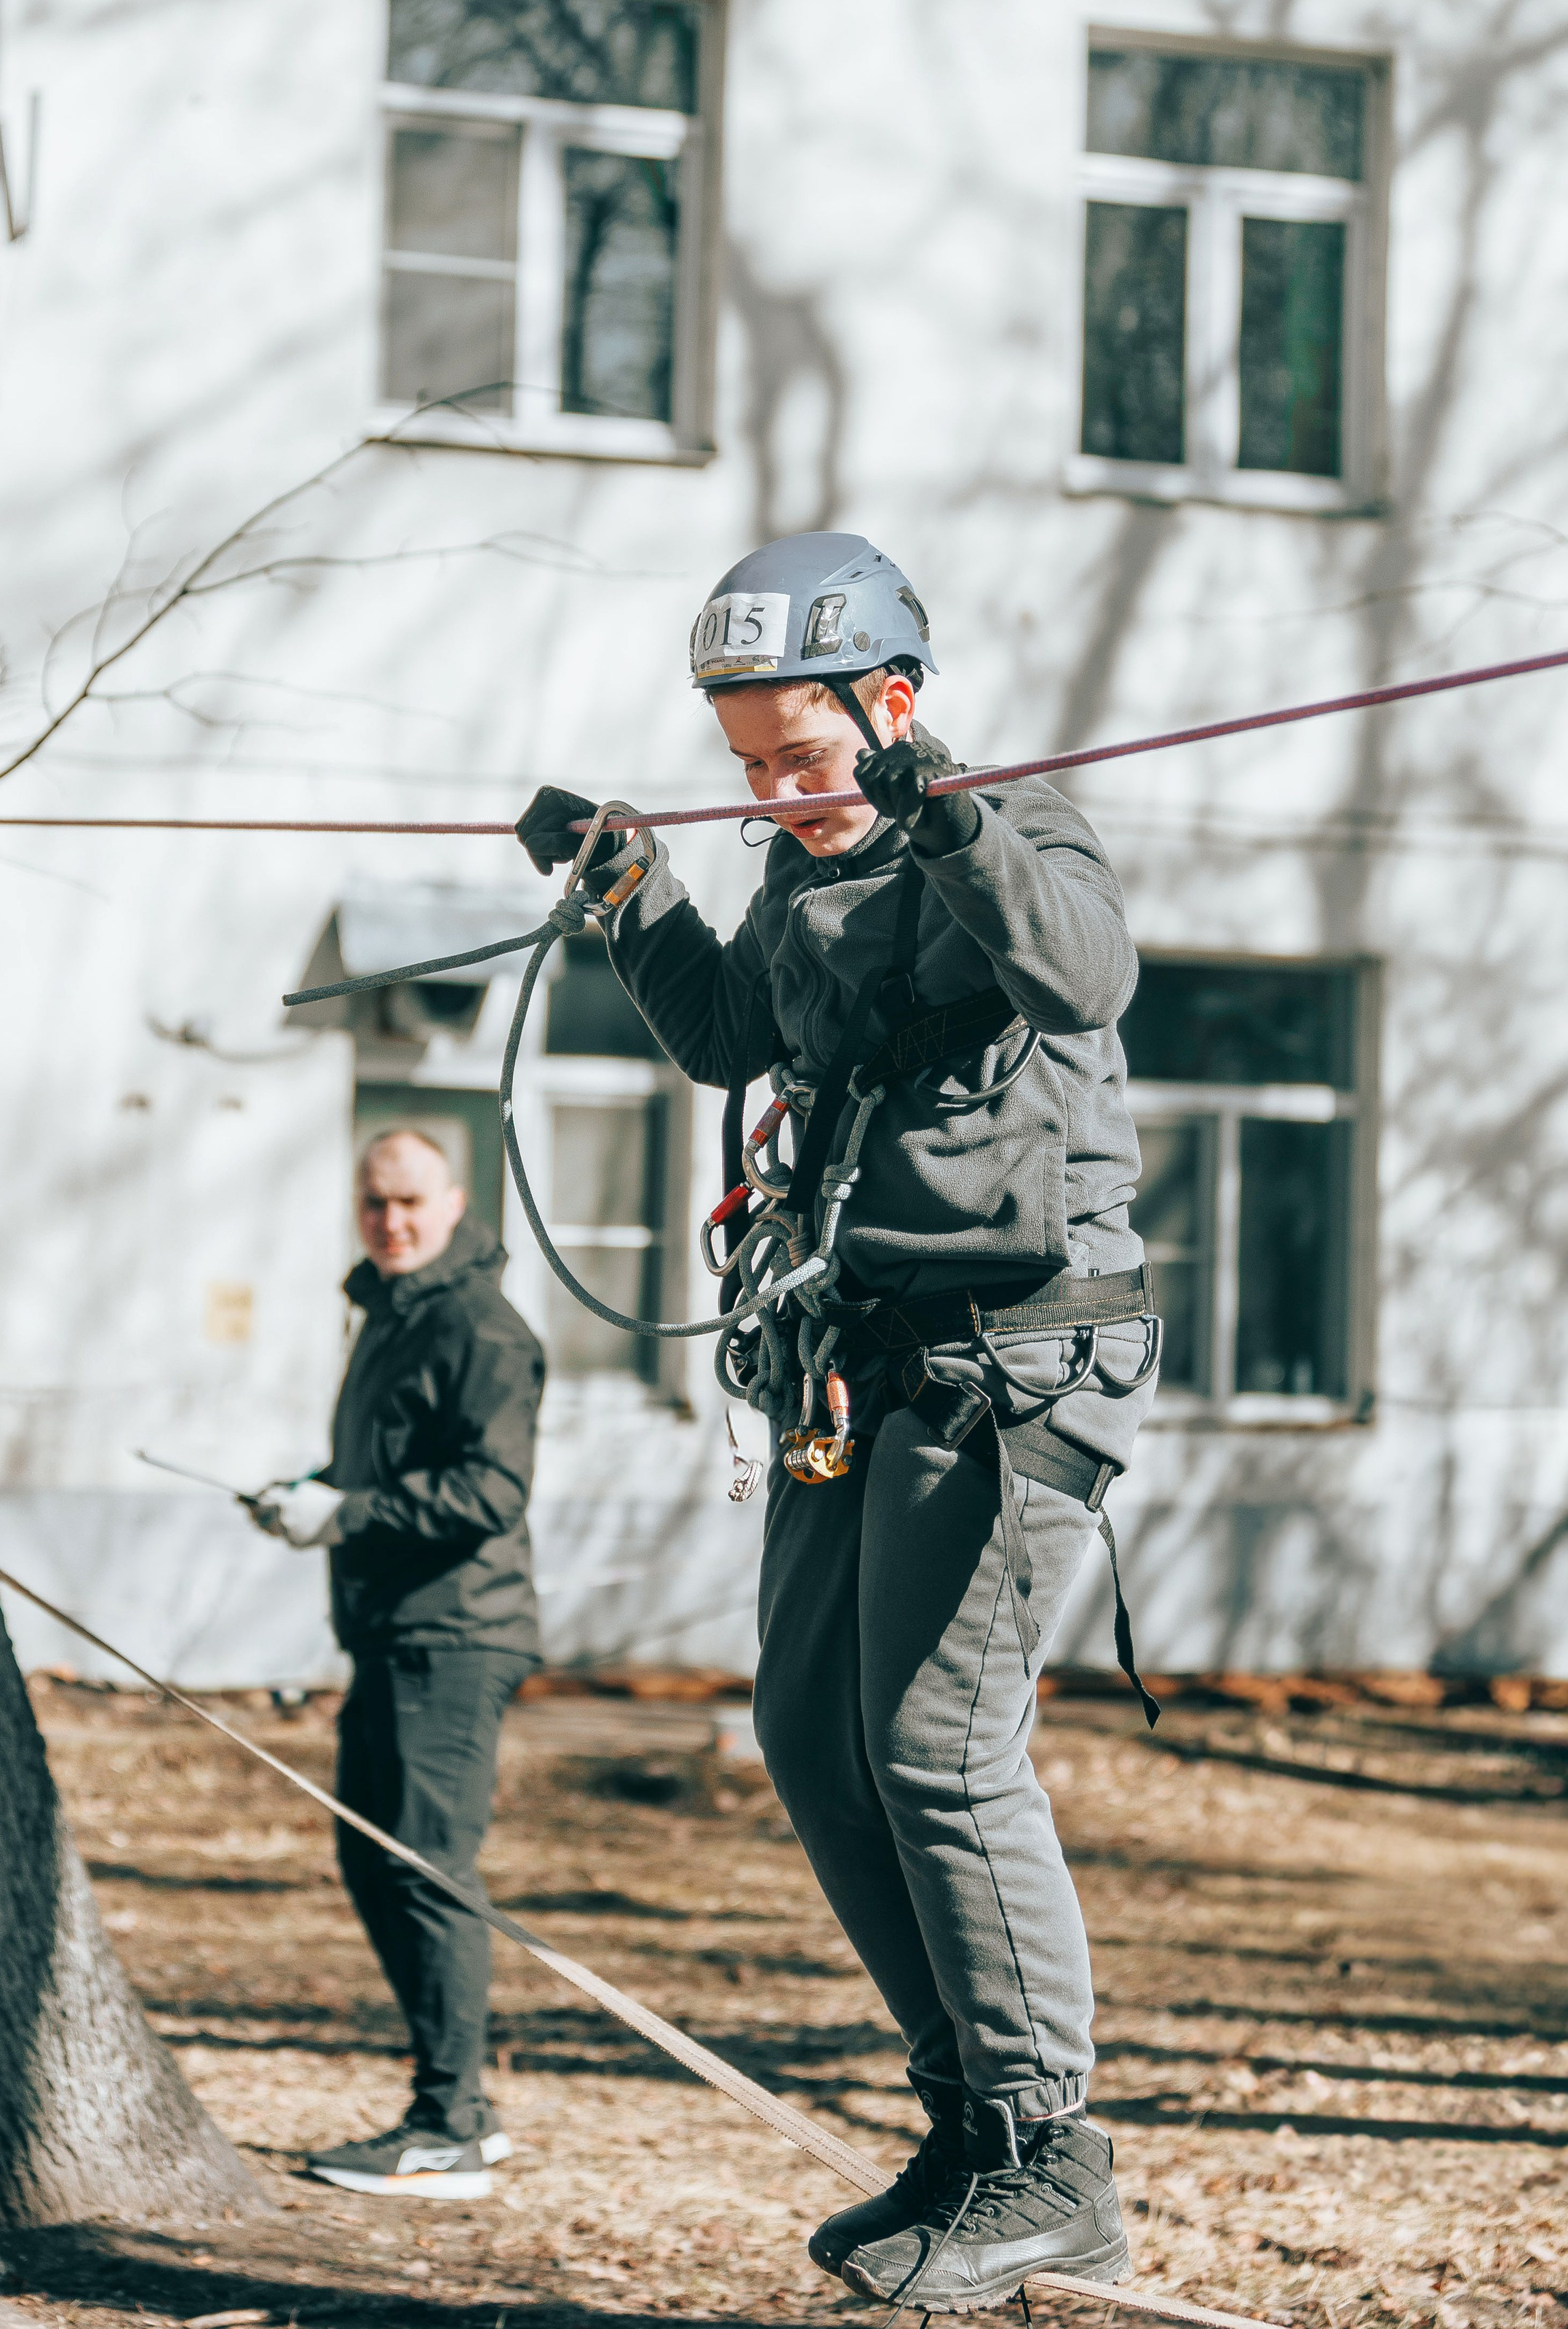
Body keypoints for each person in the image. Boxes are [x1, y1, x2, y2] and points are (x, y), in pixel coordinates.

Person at [515, 533, 1161, 2309]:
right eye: (746, 767)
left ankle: (1049, 2152)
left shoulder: (1014, 833)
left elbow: (1083, 978)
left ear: (891, 701)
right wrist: (632, 888)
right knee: (811, 1735)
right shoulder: (797, 882)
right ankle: (964, 2120)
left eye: (800, 755)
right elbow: (733, 1035)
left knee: (942, 1749)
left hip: (1016, 1352)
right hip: (854, 1358)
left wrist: (941, 816)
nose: (777, 793)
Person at [251, 1128, 544, 2200]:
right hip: (389, 1630)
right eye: (375, 1202)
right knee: (372, 1856)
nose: (392, 1221)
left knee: (424, 1866)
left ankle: (452, 2123)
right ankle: (455, 2108)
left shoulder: (479, 1324)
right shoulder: (391, 1309)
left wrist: (350, 1512)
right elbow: (388, 1468)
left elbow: (491, 1491)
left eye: (411, 1201)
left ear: (455, 1201)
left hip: (455, 1633)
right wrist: (310, 1494)